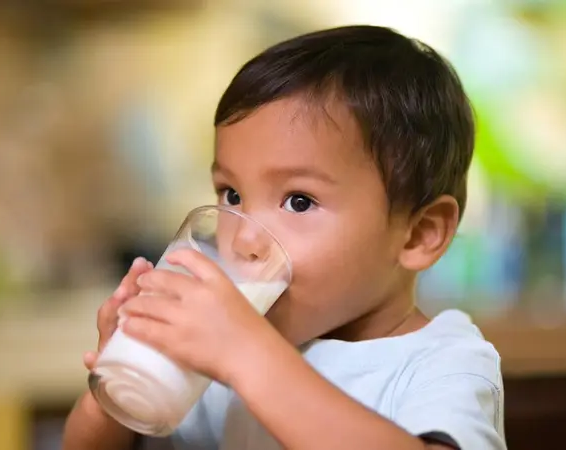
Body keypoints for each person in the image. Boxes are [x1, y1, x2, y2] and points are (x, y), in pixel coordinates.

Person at [63, 25, 505, 450]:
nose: (242, 240)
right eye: (232, 195)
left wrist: (247, 357)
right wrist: (116, 386)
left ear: (418, 234)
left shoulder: (442, 362)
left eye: (298, 201)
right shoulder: (230, 345)